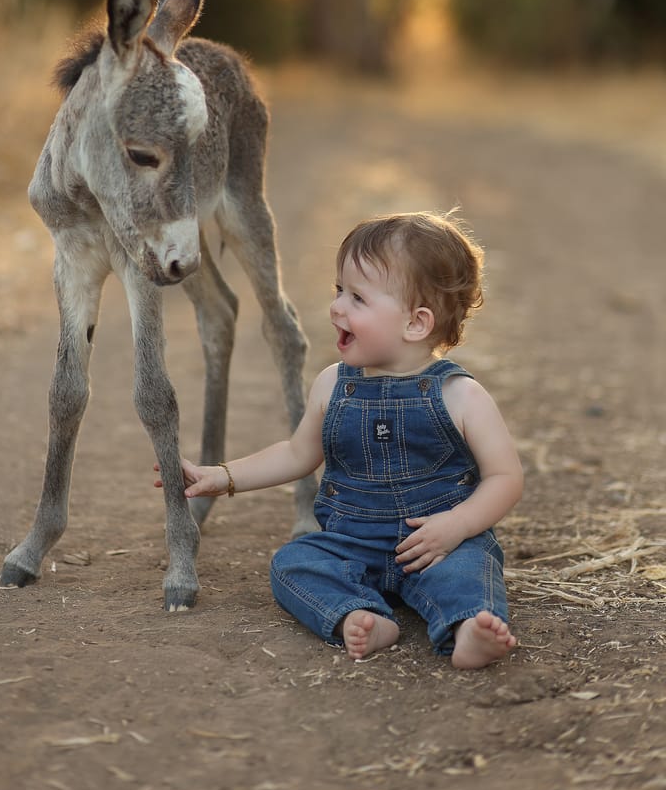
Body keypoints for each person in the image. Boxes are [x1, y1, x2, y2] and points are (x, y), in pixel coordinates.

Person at [164, 211, 524, 668]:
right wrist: (222, 476)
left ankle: (470, 626)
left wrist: (458, 525)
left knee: (469, 569)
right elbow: (297, 454)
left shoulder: (461, 395)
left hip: (437, 544)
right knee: (293, 564)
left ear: (416, 323)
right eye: (338, 291)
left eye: (357, 297)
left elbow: (505, 477)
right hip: (351, 545)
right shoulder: (333, 384)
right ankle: (361, 615)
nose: (337, 307)